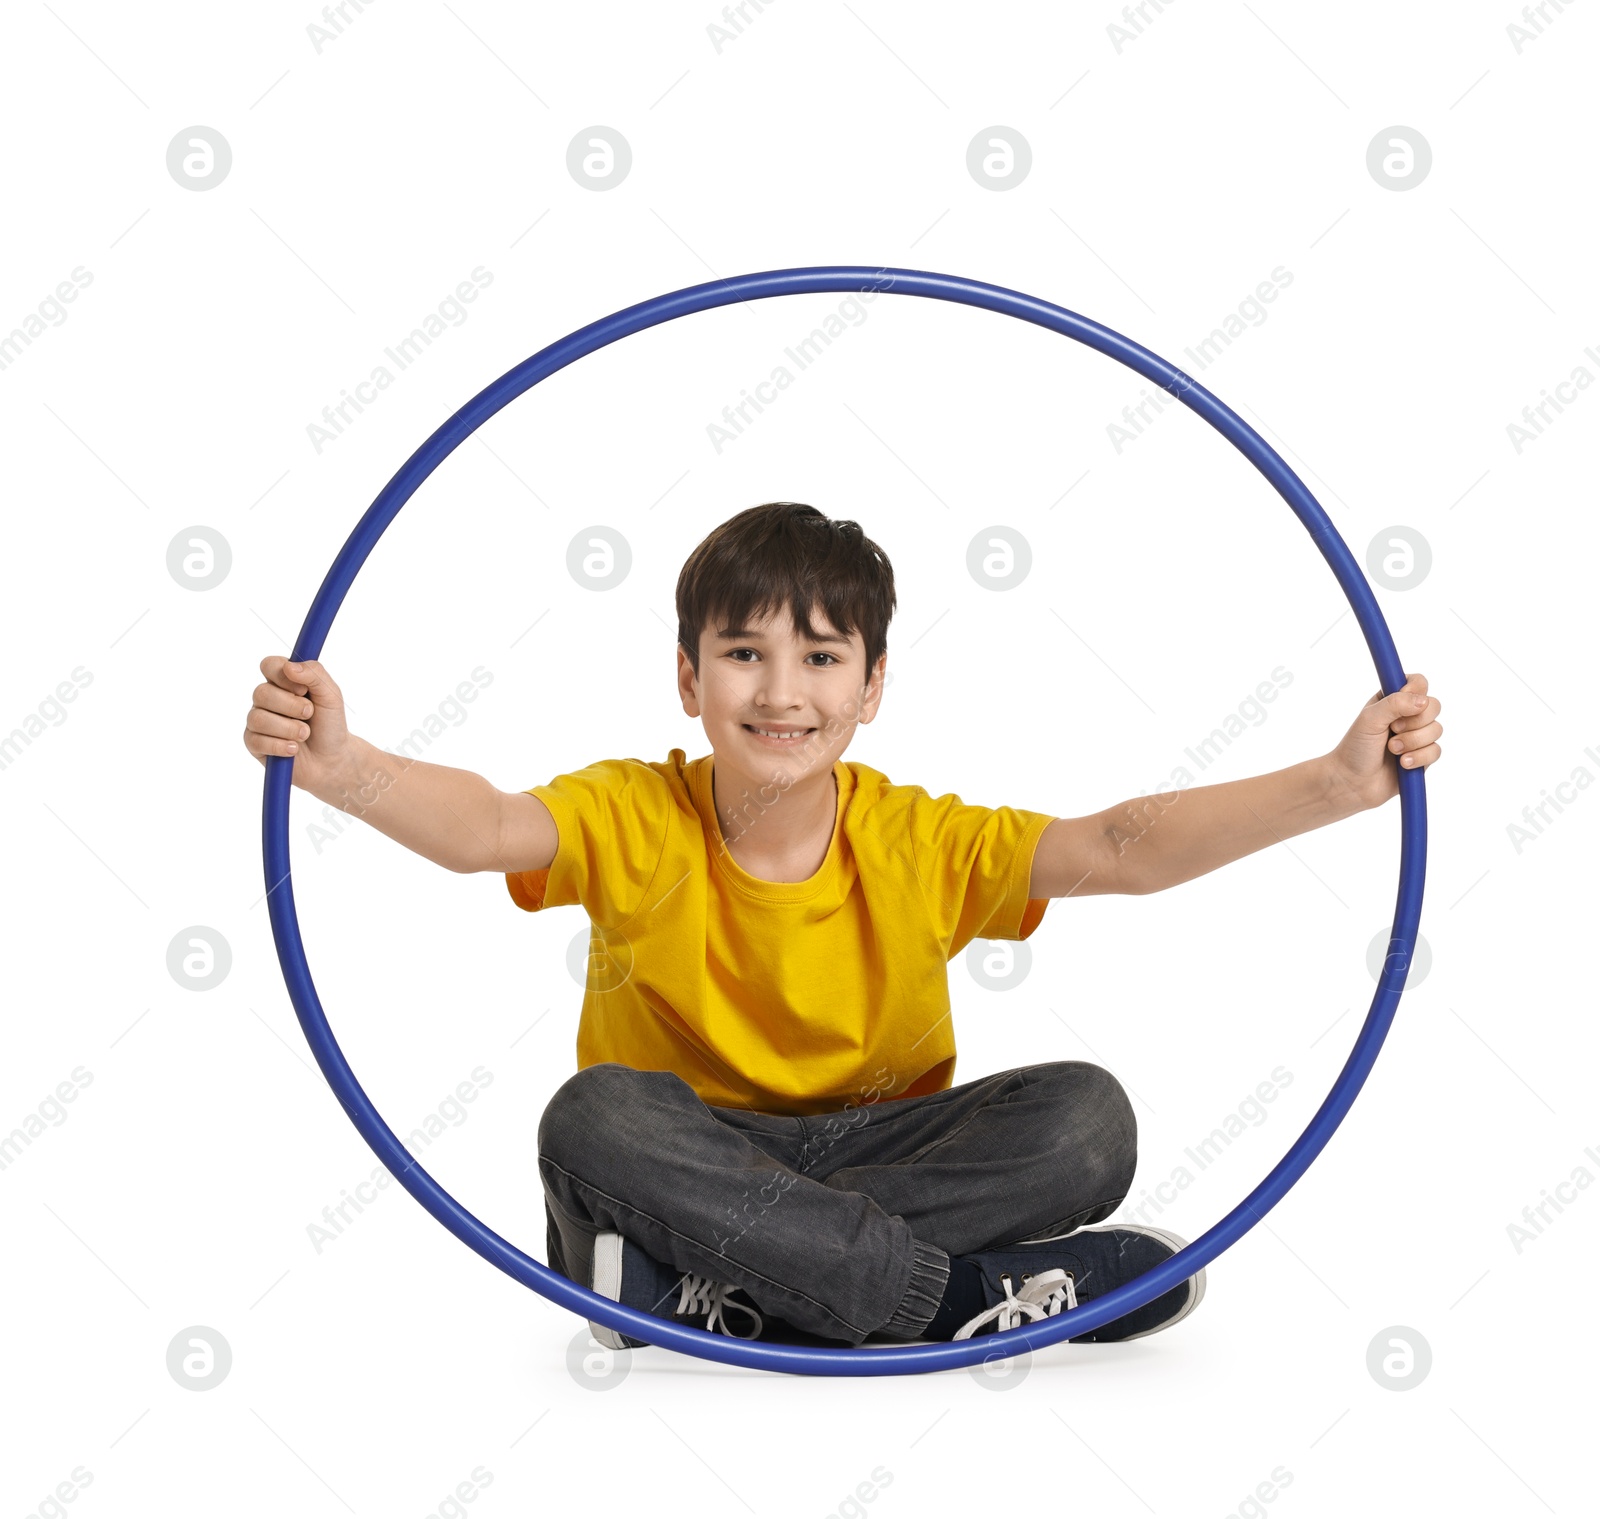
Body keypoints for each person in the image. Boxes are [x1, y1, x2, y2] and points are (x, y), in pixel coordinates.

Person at [243, 501, 1444, 1352]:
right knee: (594, 1115)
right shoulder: (632, 811)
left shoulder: (914, 839)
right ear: (686, 676)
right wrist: (342, 765)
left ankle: (721, 1297)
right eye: (743, 653)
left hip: (875, 1154)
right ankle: (947, 1303)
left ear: (870, 687)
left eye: (820, 657)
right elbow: (485, 827)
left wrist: (1334, 786)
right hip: (684, 1162)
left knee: (1085, 1117)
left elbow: (1110, 848)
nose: (780, 691)